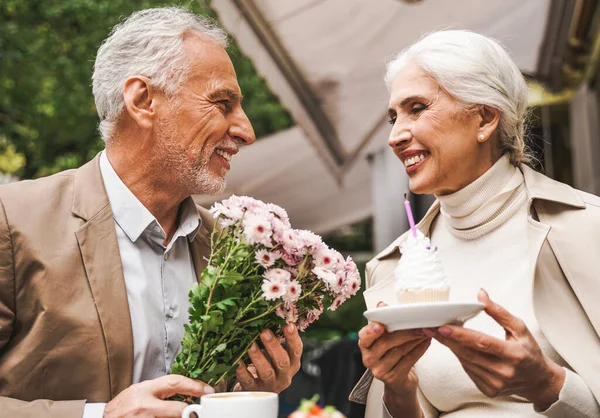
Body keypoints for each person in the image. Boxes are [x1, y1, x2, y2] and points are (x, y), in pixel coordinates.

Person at [0, 7, 303, 418]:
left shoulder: (230, 248)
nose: (246, 131)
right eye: (222, 103)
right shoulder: (12, 221)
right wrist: (98, 416)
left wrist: (251, 386)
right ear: (143, 100)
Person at [350, 30, 600, 417]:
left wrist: (548, 385)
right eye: (393, 117)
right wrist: (398, 392)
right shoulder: (391, 267)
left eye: (417, 108)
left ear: (484, 118)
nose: (395, 136)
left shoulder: (590, 228)